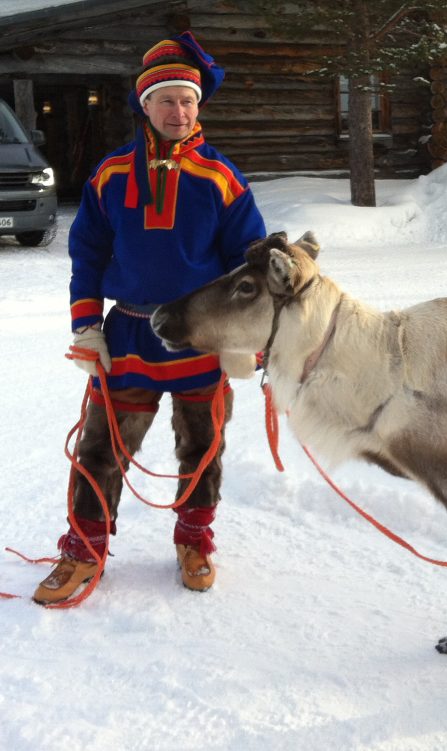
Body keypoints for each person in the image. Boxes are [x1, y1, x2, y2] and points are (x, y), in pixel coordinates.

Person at [33, 32, 266, 604]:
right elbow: (87, 251)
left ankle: (194, 539)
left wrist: (245, 336)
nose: (178, 111)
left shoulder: (222, 178)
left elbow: (250, 262)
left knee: (203, 444)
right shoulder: (109, 174)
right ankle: (83, 549)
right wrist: (86, 325)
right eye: (166, 100)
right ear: (145, 104)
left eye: (187, 101)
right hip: (131, 331)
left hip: (201, 336)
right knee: (101, 447)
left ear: (198, 106)